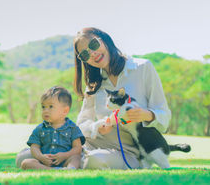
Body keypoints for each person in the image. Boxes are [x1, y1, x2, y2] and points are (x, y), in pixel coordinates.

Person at [73, 27, 171, 169]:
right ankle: (71, 161)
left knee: (94, 161)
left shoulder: (143, 68)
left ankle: (72, 162)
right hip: (90, 145)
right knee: (28, 156)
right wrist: (98, 127)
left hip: (126, 152)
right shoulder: (94, 85)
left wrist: (147, 115)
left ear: (105, 40)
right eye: (84, 55)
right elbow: (81, 125)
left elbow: (165, 117)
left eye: (93, 45)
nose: (92, 54)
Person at [19, 86, 85, 170]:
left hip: (65, 160)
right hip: (45, 162)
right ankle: (51, 170)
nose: (45, 110)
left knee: (76, 158)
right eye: (43, 107)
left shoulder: (72, 128)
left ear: (65, 111)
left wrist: (65, 155)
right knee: (26, 163)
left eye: (50, 106)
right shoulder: (40, 129)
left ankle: (69, 169)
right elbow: (34, 147)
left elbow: (77, 148)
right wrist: (41, 157)